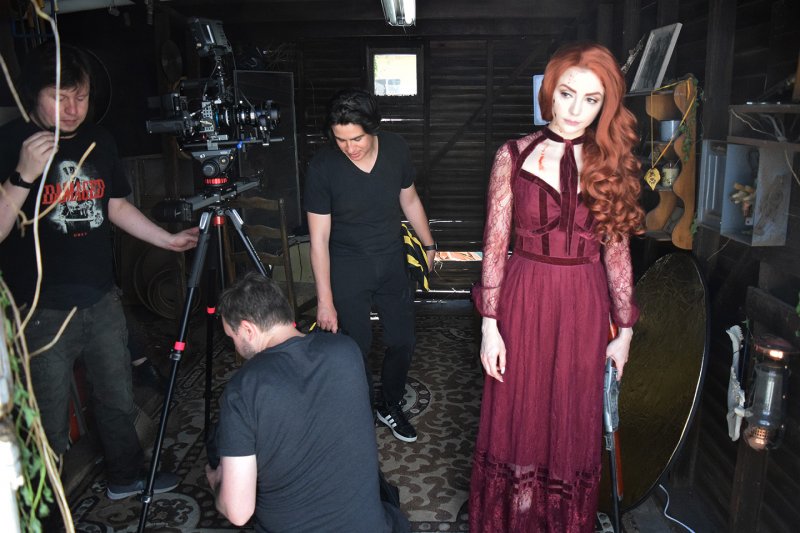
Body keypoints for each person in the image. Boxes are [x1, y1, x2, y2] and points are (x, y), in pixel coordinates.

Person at [0, 42, 198, 499]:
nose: (73, 109)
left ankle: (125, 477)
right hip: (39, 311)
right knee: (47, 417)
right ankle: (48, 512)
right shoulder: (10, 144)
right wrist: (24, 174)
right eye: (59, 97)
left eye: (81, 97)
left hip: (101, 298)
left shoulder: (100, 141)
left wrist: (166, 240)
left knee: (117, 397)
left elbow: (115, 205)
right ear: (34, 95)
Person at [469, 42, 644, 532]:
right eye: (567, 94)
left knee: (571, 412)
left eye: (591, 100)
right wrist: (489, 325)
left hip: (584, 303)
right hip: (524, 299)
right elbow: (494, 243)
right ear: (550, 91)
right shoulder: (512, 155)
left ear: (605, 104)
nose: (575, 110)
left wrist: (625, 330)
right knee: (519, 410)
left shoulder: (610, 160)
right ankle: (516, 518)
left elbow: (616, 251)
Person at [206, 272, 408, 532]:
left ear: (248, 329)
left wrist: (216, 481)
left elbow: (238, 512)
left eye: (232, 337)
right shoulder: (347, 350)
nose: (234, 345)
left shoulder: (243, 388)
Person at [304, 88, 435, 443]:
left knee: (403, 340)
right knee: (354, 347)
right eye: (341, 140)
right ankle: (359, 410)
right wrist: (325, 301)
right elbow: (318, 240)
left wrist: (428, 243)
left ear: (373, 128)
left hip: (391, 260)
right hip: (347, 267)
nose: (349, 147)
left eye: (356, 138)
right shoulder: (323, 167)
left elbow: (409, 199)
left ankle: (389, 404)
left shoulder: (396, 148)